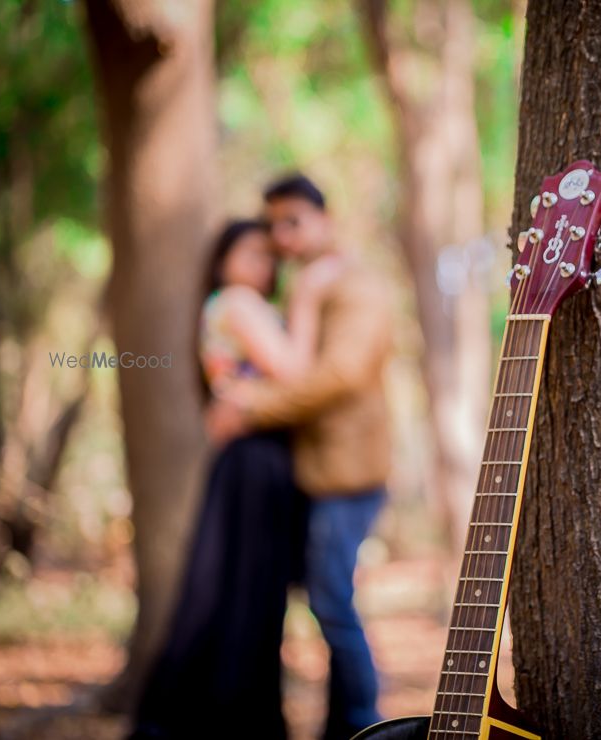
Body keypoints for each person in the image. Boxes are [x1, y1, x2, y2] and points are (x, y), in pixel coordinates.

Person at [130, 219, 333, 739]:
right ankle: (232, 722)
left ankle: (232, 719)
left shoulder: (238, 305)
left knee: (243, 595)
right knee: (243, 595)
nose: (263, 263)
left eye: (269, 255)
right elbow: (293, 371)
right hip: (255, 465)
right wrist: (308, 301)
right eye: (249, 252)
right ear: (222, 259)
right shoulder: (238, 304)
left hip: (256, 459)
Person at [207, 174, 394, 740]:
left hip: (349, 473)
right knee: (323, 601)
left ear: (325, 220)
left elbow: (340, 375)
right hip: (315, 473)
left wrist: (252, 408)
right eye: (273, 226)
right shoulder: (304, 286)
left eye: (294, 222)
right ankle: (344, 724)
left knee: (333, 602)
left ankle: (365, 725)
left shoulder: (355, 285)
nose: (282, 238)